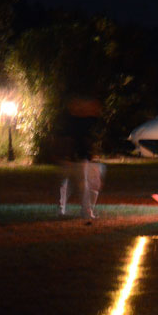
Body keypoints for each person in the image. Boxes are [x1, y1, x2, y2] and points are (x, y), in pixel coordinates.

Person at [57, 95, 105, 223]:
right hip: (79, 157)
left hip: (81, 157)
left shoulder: (82, 121)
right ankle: (84, 211)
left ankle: (67, 210)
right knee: (79, 184)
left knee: (72, 184)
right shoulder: (80, 122)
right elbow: (77, 139)